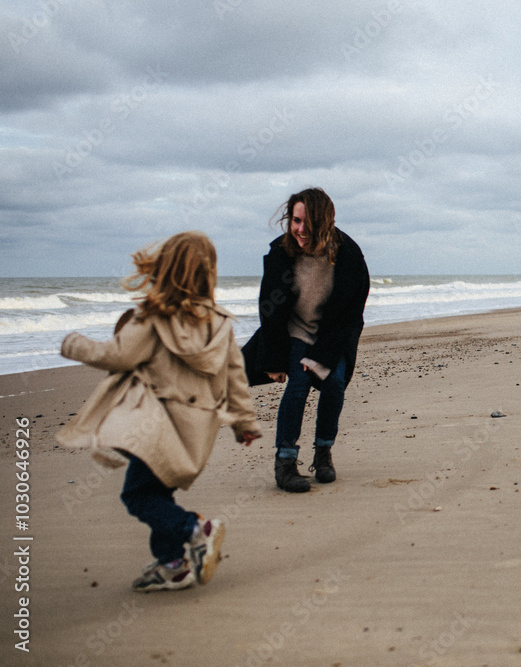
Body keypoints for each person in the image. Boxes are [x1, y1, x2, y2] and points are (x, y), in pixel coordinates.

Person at [57, 231, 262, 592]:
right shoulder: (220, 324)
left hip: (155, 430)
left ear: (165, 269)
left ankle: (197, 530)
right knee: (157, 493)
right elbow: (236, 375)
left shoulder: (154, 317)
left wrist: (77, 345)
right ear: (208, 274)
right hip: (197, 432)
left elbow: (118, 355)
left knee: (137, 496)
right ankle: (172, 565)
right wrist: (244, 422)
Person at [242, 187, 370, 493]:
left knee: (335, 382)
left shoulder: (348, 255)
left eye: (307, 222)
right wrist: (273, 361)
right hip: (295, 330)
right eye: (295, 220)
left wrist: (322, 356)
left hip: (331, 333)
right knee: (297, 385)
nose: (300, 229)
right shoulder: (281, 252)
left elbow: (350, 314)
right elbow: (269, 310)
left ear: (325, 221)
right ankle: (285, 463)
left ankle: (323, 453)